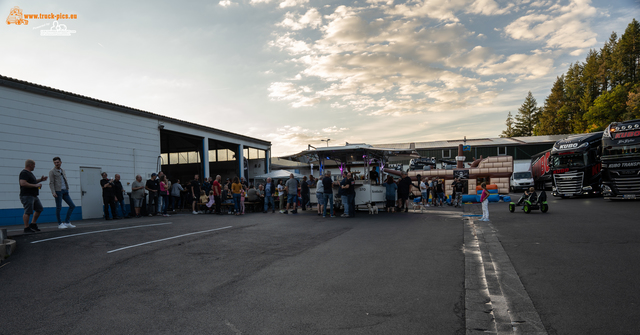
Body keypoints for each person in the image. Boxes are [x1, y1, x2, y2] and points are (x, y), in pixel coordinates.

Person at [19, 159, 48, 233]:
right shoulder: (24, 173)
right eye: (34, 165)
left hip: (34, 195)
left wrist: (40, 180)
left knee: (39, 209)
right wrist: (35, 185)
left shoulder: (30, 173)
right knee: (28, 211)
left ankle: (33, 224)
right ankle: (26, 228)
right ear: (30, 165)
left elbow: (32, 182)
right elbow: (23, 183)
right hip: (27, 195)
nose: (34, 167)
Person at [49, 156, 76, 229]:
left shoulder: (62, 170)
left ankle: (67, 222)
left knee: (72, 205)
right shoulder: (52, 171)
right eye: (55, 163)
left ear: (61, 162)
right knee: (59, 207)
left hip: (65, 190)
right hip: (58, 191)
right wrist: (53, 192)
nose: (56, 164)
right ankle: (60, 223)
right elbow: (51, 183)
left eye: (57, 162)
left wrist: (67, 188)